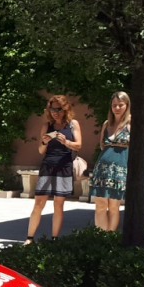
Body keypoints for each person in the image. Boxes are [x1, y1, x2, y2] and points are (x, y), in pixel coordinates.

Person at [25, 94, 82, 244]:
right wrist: (44, 142)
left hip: (64, 166)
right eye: (52, 109)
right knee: (39, 203)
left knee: (58, 204)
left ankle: (54, 239)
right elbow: (40, 151)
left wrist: (66, 141)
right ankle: (29, 238)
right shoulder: (47, 126)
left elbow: (79, 145)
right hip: (48, 165)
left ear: (65, 109)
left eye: (59, 109)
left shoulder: (73, 124)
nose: (55, 113)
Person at [90, 91, 130, 232]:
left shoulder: (132, 123)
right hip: (102, 169)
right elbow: (102, 145)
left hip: (120, 170)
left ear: (127, 105)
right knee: (100, 205)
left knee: (114, 206)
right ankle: (101, 238)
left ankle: (110, 239)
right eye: (114, 105)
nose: (117, 108)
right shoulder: (107, 124)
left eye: (120, 105)